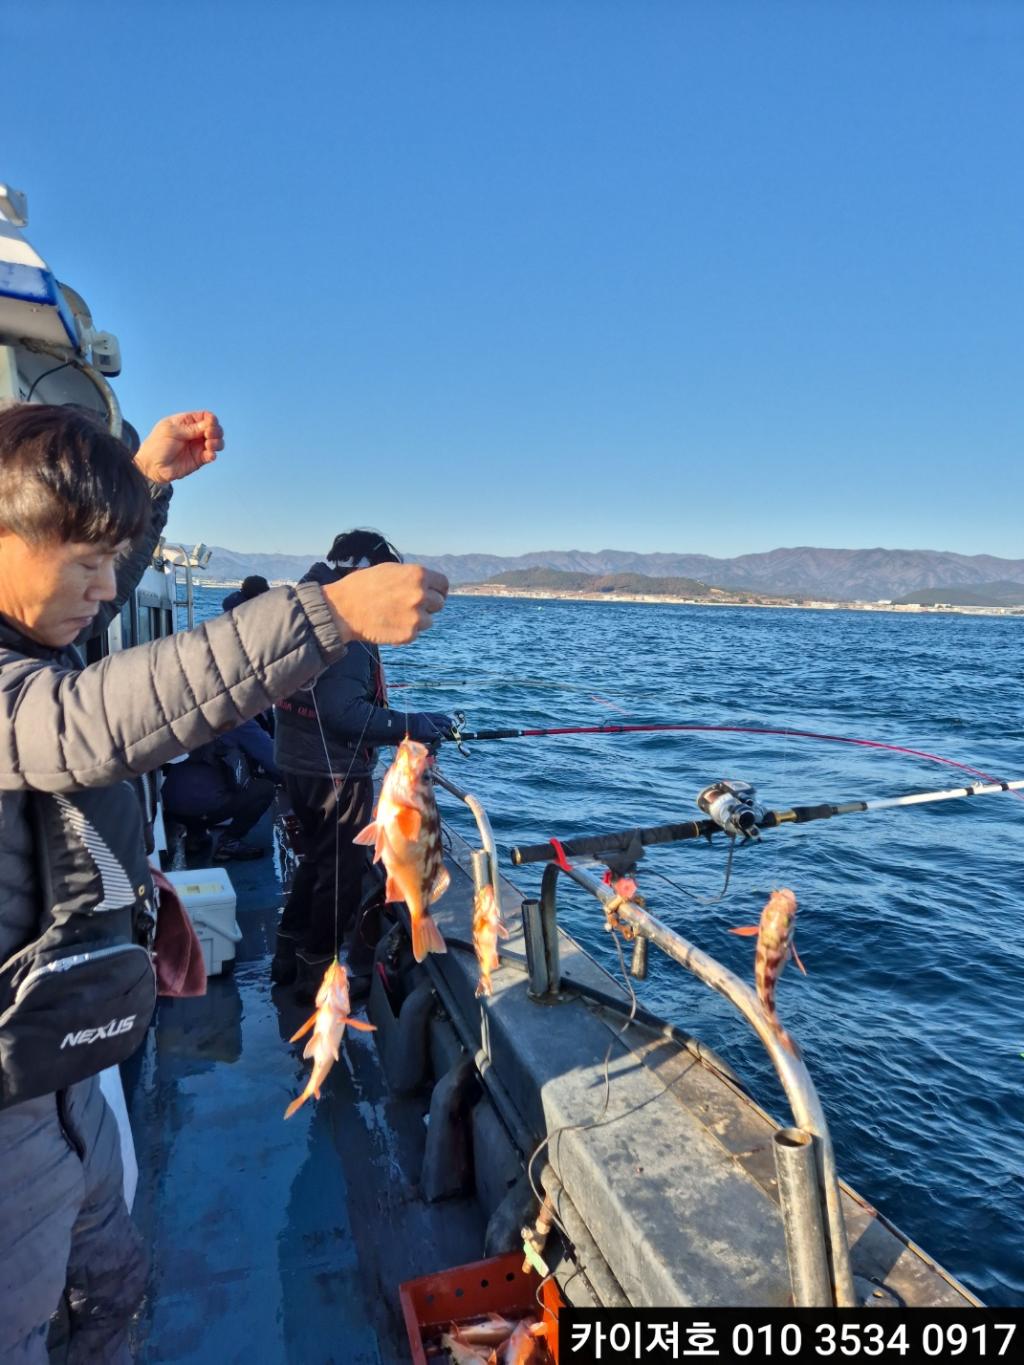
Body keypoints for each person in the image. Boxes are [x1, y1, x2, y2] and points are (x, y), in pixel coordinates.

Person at [0, 405, 448, 1362]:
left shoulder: (37, 632)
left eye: (112, 558)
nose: (105, 586)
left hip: (65, 1081)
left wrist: (144, 486)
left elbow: (98, 628)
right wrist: (326, 614)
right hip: (9, 1121)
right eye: (82, 560)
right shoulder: (22, 684)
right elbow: (95, 719)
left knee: (112, 1290)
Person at [272, 529, 454, 1001]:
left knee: (315, 864)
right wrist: (414, 724)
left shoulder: (304, 610)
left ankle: (285, 959)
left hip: (297, 762)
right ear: (361, 573)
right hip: (332, 772)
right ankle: (318, 979)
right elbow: (343, 713)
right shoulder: (345, 631)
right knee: (339, 879)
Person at [161, 715, 281, 861]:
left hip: (171, 809)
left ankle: (195, 836)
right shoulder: (239, 720)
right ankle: (229, 842)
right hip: (207, 807)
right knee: (265, 789)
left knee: (198, 783)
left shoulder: (183, 717)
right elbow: (274, 763)